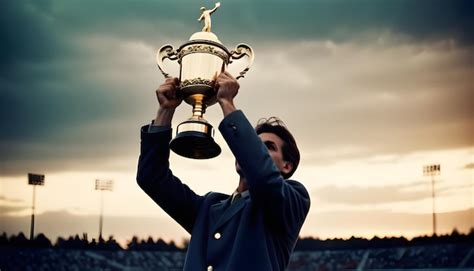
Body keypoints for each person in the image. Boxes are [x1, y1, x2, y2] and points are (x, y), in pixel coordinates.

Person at [137, 71, 311, 270]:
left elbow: (263, 178)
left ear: (286, 166)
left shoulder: (293, 200)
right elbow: (151, 177)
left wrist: (227, 102)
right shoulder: (209, 207)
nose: (255, 150)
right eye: (255, 143)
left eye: (268, 147)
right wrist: (165, 111)